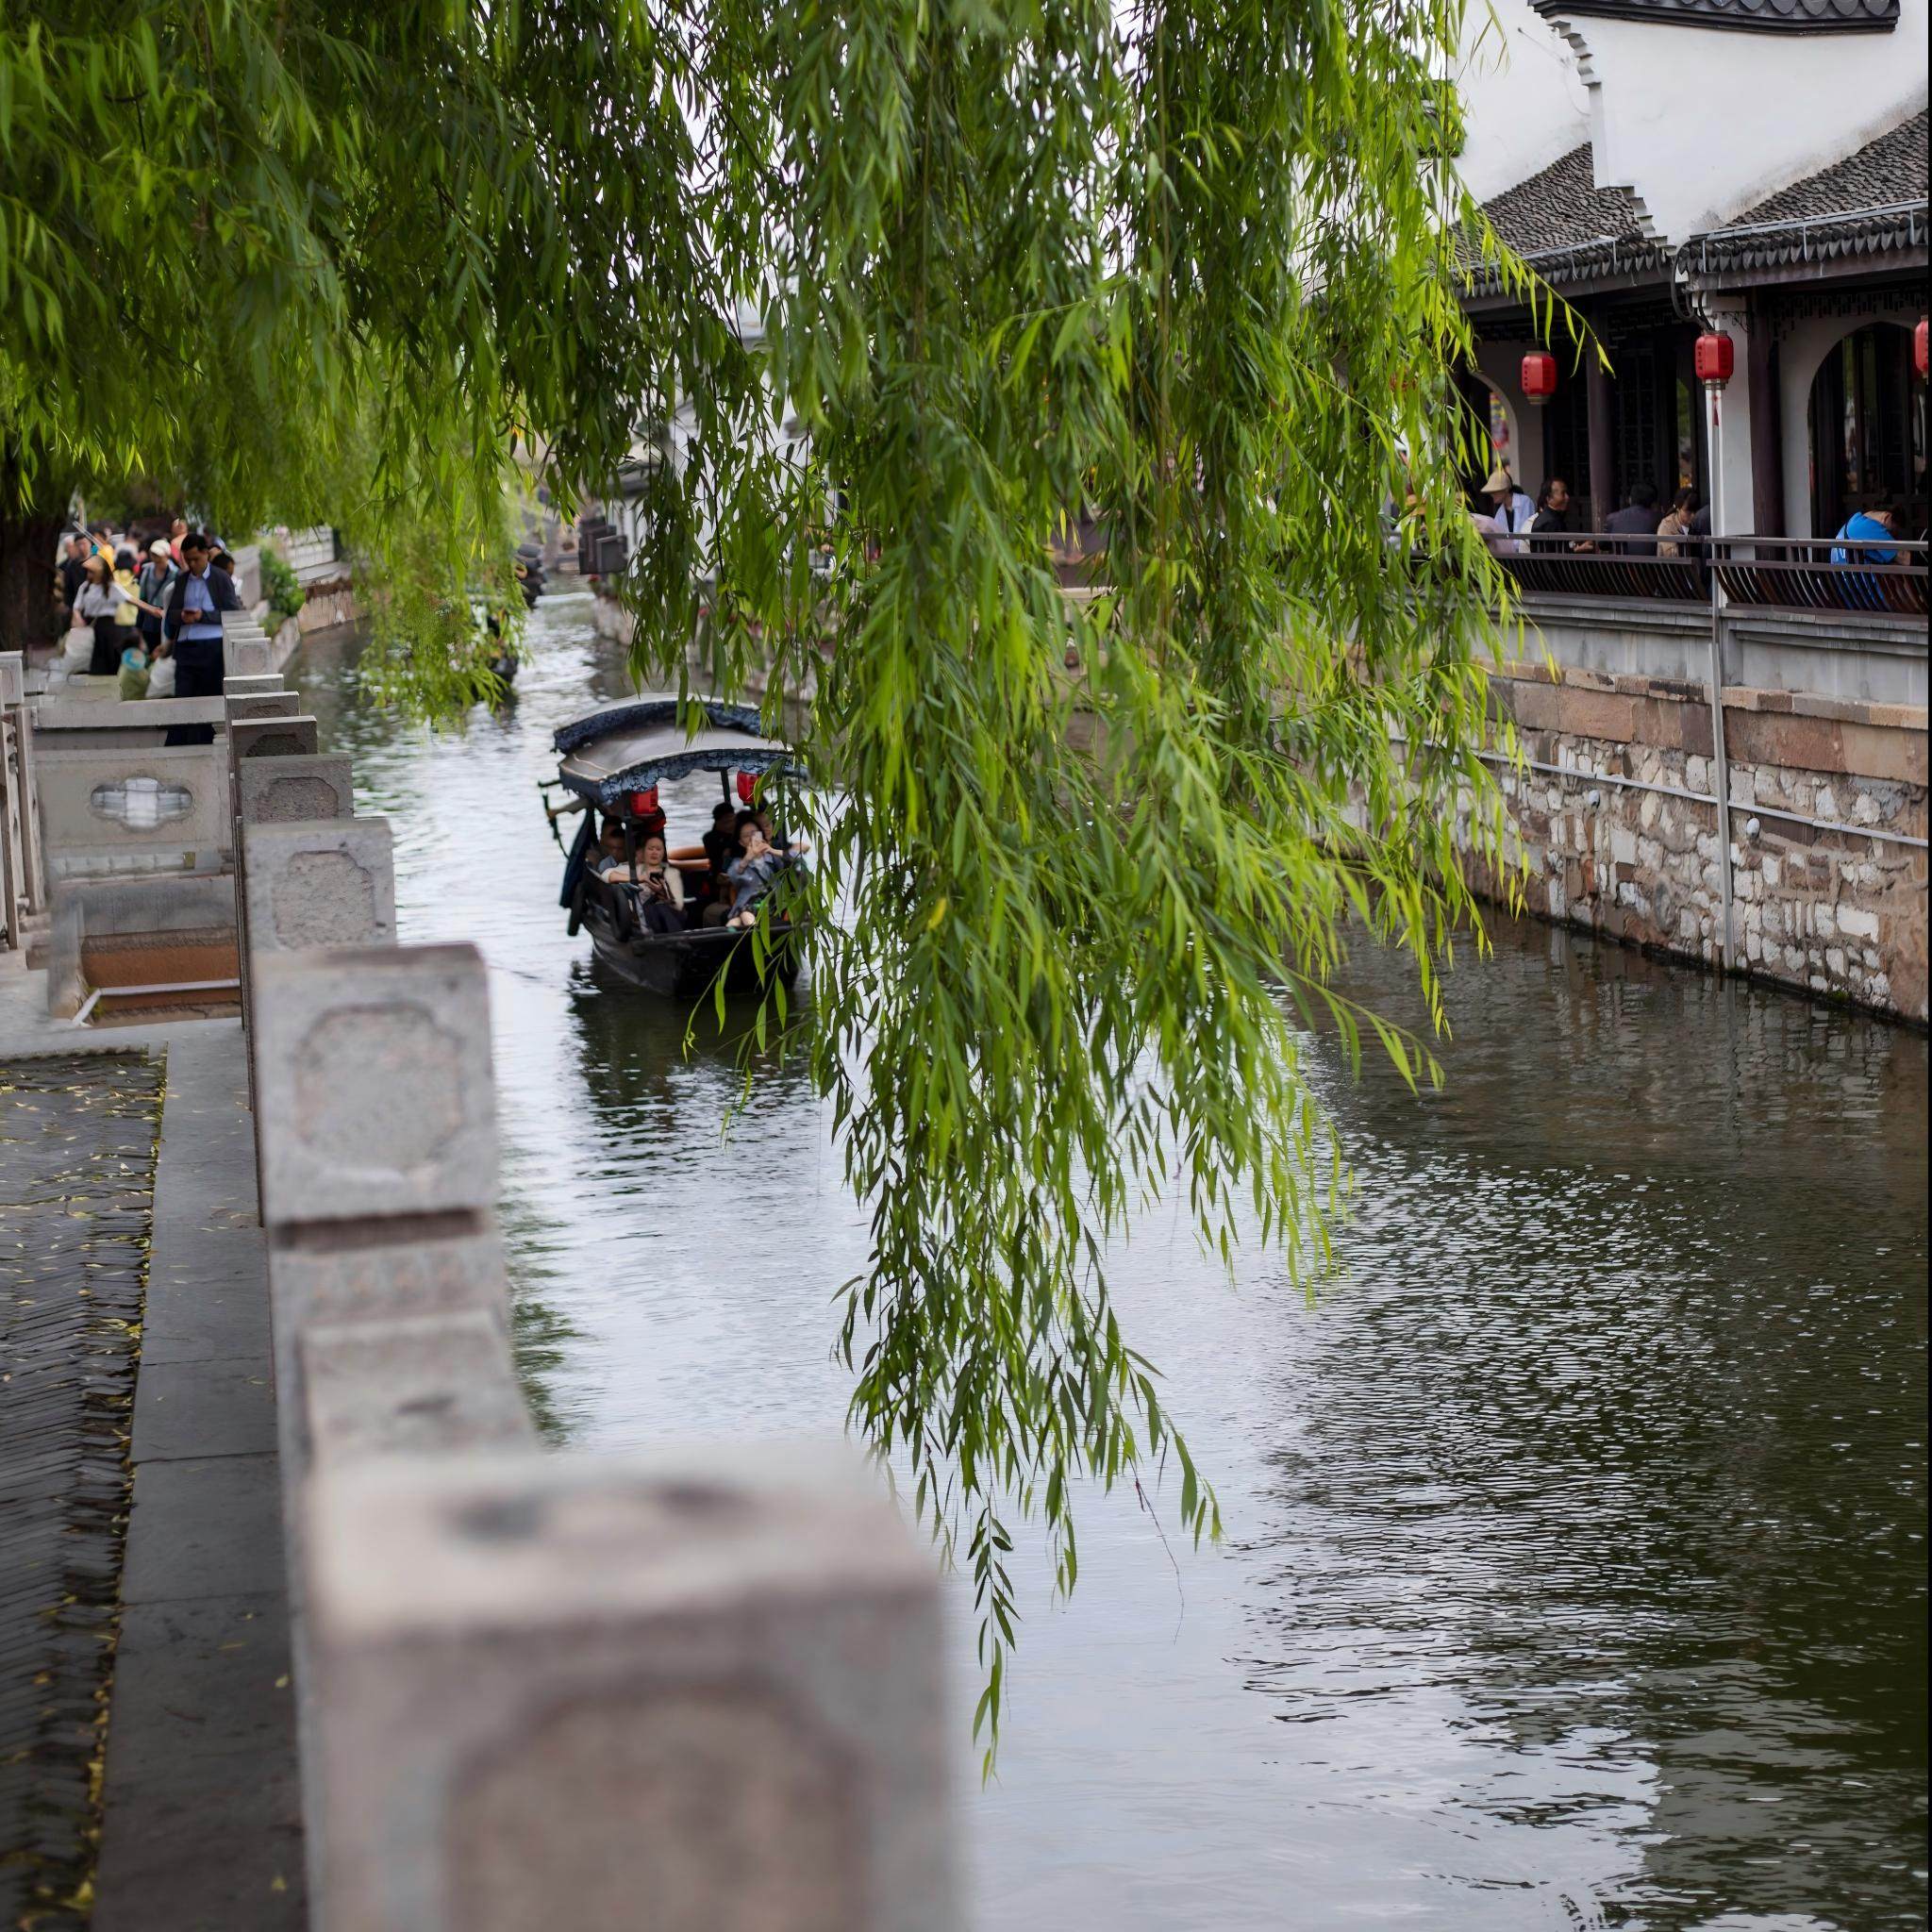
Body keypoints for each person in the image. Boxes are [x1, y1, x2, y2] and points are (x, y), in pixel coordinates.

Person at [160, 530, 242, 743]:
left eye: (196, 559)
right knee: (183, 697)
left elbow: (233, 612)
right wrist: (183, 616)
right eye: (188, 561)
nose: (192, 565)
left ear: (206, 554)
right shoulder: (182, 580)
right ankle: (179, 742)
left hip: (212, 646)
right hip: (186, 646)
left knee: (209, 696)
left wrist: (202, 616)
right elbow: (170, 614)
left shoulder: (220, 578)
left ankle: (206, 740)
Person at [69, 553, 163, 675]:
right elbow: (76, 607)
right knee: (92, 664)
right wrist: (77, 618)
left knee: (109, 665)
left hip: (109, 630)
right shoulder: (85, 587)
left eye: (92, 572)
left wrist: (156, 611)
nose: (89, 575)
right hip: (91, 628)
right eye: (88, 572)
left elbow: (133, 601)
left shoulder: (112, 587)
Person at [1830, 499, 1904, 610]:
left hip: (1846, 598)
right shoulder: (1871, 526)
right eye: (1892, 532)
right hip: (1869, 601)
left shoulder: (1852, 523)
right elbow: (1905, 558)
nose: (1892, 537)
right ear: (1887, 517)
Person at [138, 539, 179, 656]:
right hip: (150, 619)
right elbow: (143, 598)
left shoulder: (176, 574)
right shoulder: (147, 571)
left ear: (167, 555)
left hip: (167, 618)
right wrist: (139, 627)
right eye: (153, 554)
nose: (156, 558)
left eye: (158, 555)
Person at [1603, 481, 1662, 554]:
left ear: (1630, 499)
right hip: (1650, 564)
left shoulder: (1612, 518)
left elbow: (1603, 545)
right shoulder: (1658, 519)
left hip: (1620, 564)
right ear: (1653, 502)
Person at [1482, 465, 1536, 541]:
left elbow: (1528, 530)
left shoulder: (1525, 502)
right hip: (1509, 552)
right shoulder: (1500, 512)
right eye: (1491, 492)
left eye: (1495, 491)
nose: (1492, 494)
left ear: (1506, 489)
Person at [1656, 487, 1697, 558]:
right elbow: (1670, 555)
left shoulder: (1696, 524)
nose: (1693, 515)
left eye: (1695, 511)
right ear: (1678, 508)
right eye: (1688, 511)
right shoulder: (1667, 525)